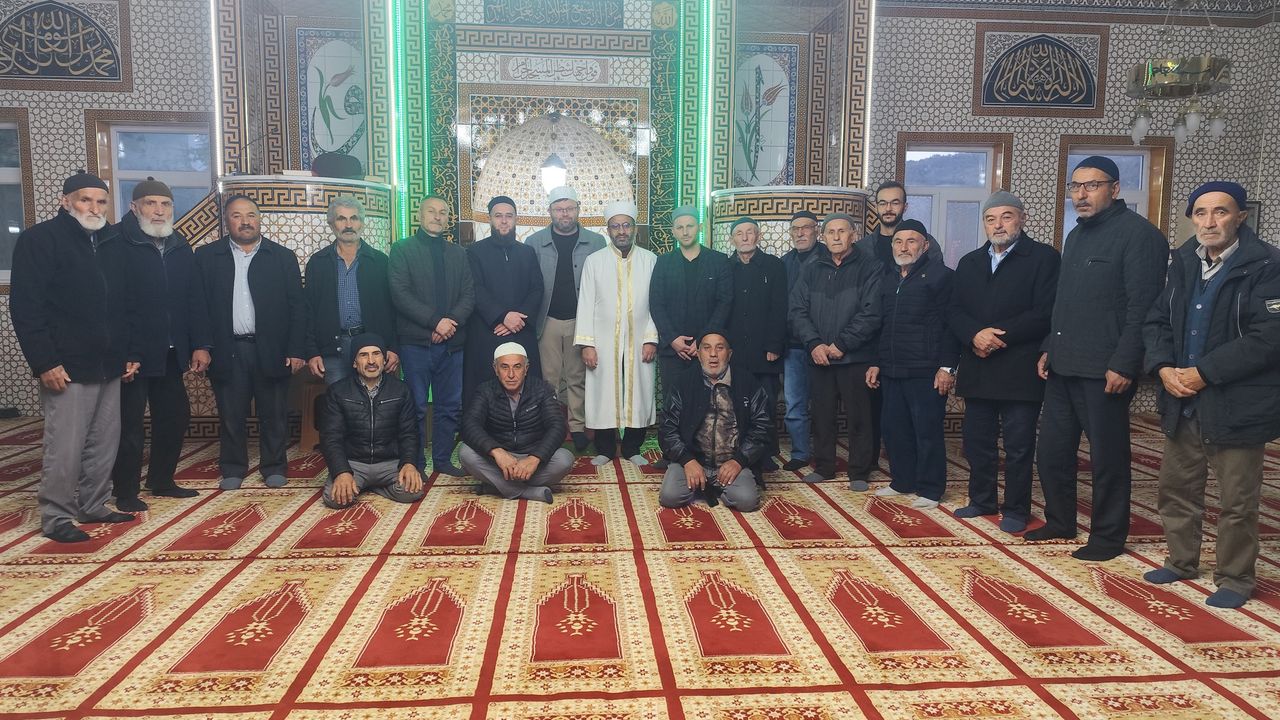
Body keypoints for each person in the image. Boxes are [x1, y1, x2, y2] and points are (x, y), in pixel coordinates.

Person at [1142, 181, 1280, 608]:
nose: (1209, 221)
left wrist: (1204, 373)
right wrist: (1163, 368)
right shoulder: (1183, 262)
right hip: (1182, 397)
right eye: (1200, 213)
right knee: (1177, 489)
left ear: (1241, 216)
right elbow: (1157, 322)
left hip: (1237, 403)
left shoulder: (1267, 264)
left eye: (1220, 212)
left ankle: (1235, 578)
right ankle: (1181, 561)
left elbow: (1268, 337)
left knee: (1237, 500)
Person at [1027, 156, 1168, 560]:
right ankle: (1060, 521)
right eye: (1075, 187)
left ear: (1115, 188)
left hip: (1105, 370)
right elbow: (1064, 301)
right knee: (1052, 452)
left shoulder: (1140, 236)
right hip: (1063, 365)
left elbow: (1143, 308)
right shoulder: (1076, 235)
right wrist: (1049, 346)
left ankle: (1107, 537)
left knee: (1107, 459)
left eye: (1091, 186)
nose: (1081, 195)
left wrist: (1125, 363)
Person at [10, 172, 141, 541]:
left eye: (101, 202)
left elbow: (126, 304)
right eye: (86, 200)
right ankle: (57, 517)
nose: (94, 208)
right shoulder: (41, 240)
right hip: (65, 366)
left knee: (104, 442)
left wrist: (130, 352)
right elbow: (27, 307)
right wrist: (45, 362)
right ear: (65, 201)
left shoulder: (113, 241)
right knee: (65, 447)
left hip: (110, 363)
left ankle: (93, 504)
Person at [948, 191, 1060, 533]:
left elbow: (1045, 312)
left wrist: (996, 337)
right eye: (991, 219)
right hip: (978, 365)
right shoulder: (969, 262)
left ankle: (1016, 508)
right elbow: (954, 311)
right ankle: (981, 499)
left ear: (1022, 219)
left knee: (1018, 446)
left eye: (1006, 217)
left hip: (1019, 369)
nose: (998, 225)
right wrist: (974, 335)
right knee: (977, 443)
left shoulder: (1043, 258)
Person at [190, 194, 307, 490]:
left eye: (251, 215)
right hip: (226, 349)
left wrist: (296, 350)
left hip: (272, 349)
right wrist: (201, 345)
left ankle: (274, 466)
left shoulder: (282, 257)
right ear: (226, 220)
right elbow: (197, 306)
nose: (245, 221)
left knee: (274, 413)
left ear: (259, 219)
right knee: (231, 414)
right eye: (237, 215)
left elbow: (298, 307)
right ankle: (232, 467)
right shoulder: (207, 256)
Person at [110, 178, 201, 512]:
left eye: (165, 205)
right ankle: (125, 490)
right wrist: (125, 351)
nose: (159, 211)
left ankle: (161, 480)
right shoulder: (116, 242)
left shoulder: (179, 244)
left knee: (174, 416)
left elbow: (193, 299)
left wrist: (198, 344)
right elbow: (113, 304)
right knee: (129, 424)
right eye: (151, 203)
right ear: (134, 207)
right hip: (132, 355)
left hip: (170, 351)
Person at [866, 219, 958, 509]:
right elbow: (882, 325)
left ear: (925, 245)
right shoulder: (888, 278)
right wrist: (876, 362)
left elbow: (952, 326)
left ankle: (931, 489)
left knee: (926, 431)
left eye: (911, 241)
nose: (904, 247)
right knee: (894, 429)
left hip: (926, 370)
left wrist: (947, 367)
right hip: (892, 369)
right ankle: (902, 481)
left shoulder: (941, 276)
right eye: (898, 241)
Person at [789, 212, 882, 490]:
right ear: (823, 236)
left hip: (854, 357)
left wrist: (842, 344)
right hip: (819, 358)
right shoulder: (812, 268)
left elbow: (872, 313)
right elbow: (797, 310)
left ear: (854, 235)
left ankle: (859, 472)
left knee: (859, 418)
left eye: (842, 231)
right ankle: (824, 466)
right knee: (822, 416)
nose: (836, 237)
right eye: (831, 232)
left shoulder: (870, 267)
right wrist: (814, 344)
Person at [388, 196, 475, 476]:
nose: (437, 216)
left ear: (448, 218)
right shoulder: (402, 250)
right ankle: (415, 463)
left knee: (449, 406)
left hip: (453, 344)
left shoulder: (458, 253)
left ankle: (442, 460)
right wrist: (436, 323)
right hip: (416, 343)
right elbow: (400, 294)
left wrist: (450, 324)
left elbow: (468, 295)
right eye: (431, 211)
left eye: (443, 212)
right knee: (415, 406)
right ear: (419, 215)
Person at [576, 200, 659, 467]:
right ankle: (605, 449)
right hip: (602, 341)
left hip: (640, 340)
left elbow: (657, 305)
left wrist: (651, 338)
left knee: (639, 391)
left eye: (626, 225)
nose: (621, 231)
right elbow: (585, 303)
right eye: (616, 226)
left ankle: (633, 448)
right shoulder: (594, 261)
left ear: (634, 228)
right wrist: (587, 344)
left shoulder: (650, 260)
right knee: (603, 391)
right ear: (608, 230)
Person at [528, 186, 606, 453]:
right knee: (548, 378)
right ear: (550, 211)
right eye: (559, 209)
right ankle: (551, 426)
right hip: (546, 319)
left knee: (577, 377)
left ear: (578, 209)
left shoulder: (595, 242)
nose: (565, 214)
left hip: (580, 320)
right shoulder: (534, 242)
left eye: (569, 208)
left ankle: (578, 427)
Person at [658, 331, 769, 512]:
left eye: (720, 348)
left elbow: (762, 427)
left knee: (747, 502)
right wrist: (687, 460)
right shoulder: (683, 382)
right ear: (698, 353)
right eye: (706, 348)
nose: (713, 354)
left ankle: (713, 487)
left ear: (729, 354)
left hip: (732, 463)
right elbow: (667, 428)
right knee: (670, 497)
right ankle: (704, 484)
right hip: (692, 461)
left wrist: (739, 461)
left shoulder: (748, 382)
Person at [459, 342, 575, 503]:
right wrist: (497, 452)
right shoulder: (485, 391)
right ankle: (525, 491)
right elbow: (469, 425)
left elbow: (558, 426)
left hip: (533, 457)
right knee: (465, 453)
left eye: (517, 367)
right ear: (496, 369)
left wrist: (535, 458)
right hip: (499, 461)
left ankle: (497, 486)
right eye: (504, 367)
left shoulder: (542, 389)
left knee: (564, 459)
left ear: (526, 369)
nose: (511, 374)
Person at [318, 333, 424, 509]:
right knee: (335, 499)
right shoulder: (337, 392)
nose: (371, 361)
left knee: (413, 491)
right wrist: (341, 471)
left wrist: (409, 463)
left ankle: (367, 486)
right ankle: (366, 483)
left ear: (384, 360)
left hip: (389, 463)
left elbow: (409, 433)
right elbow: (331, 437)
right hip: (354, 463)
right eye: (363, 355)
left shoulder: (401, 390)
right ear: (354, 362)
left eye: (376, 354)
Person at [305, 196, 398, 385]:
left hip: (372, 347)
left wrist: (393, 347)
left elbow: (393, 309)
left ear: (362, 223)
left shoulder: (380, 262)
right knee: (339, 400)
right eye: (341, 219)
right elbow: (308, 311)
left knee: (373, 400)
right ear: (332, 224)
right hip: (333, 349)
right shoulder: (318, 263)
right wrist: (312, 352)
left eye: (354, 218)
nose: (348, 225)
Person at [649, 205, 732, 406]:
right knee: (673, 404)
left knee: (707, 405)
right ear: (673, 231)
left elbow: (725, 302)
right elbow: (656, 303)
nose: (685, 232)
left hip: (708, 351)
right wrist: (672, 339)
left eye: (690, 226)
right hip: (673, 351)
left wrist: (703, 340)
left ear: (700, 227)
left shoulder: (718, 261)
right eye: (680, 227)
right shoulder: (663, 262)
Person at [463, 195, 543, 402]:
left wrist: (517, 319)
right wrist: (502, 316)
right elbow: (475, 288)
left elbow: (537, 289)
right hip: (488, 330)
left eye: (509, 216)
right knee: (485, 391)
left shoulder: (527, 252)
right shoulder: (474, 252)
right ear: (490, 219)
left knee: (527, 390)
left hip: (521, 329)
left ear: (516, 219)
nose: (504, 221)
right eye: (498, 216)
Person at [725, 216, 787, 472]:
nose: (745, 237)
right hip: (734, 351)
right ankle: (737, 451)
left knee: (766, 402)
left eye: (750, 232)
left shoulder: (774, 266)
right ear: (732, 239)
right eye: (739, 233)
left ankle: (766, 454)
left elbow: (780, 307)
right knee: (736, 402)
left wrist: (774, 344)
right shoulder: (725, 267)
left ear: (758, 236)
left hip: (765, 351)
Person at [779, 210, 828, 471]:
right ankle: (800, 453)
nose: (800, 233)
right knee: (795, 404)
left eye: (805, 228)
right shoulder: (784, 263)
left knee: (823, 404)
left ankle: (824, 454)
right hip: (794, 346)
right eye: (795, 229)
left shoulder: (829, 259)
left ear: (816, 230)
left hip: (823, 345)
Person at [860, 181, 945, 272]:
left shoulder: (924, 241)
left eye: (895, 203)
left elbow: (939, 276)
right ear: (876, 207)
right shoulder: (862, 247)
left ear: (905, 207)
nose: (888, 208)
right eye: (883, 203)